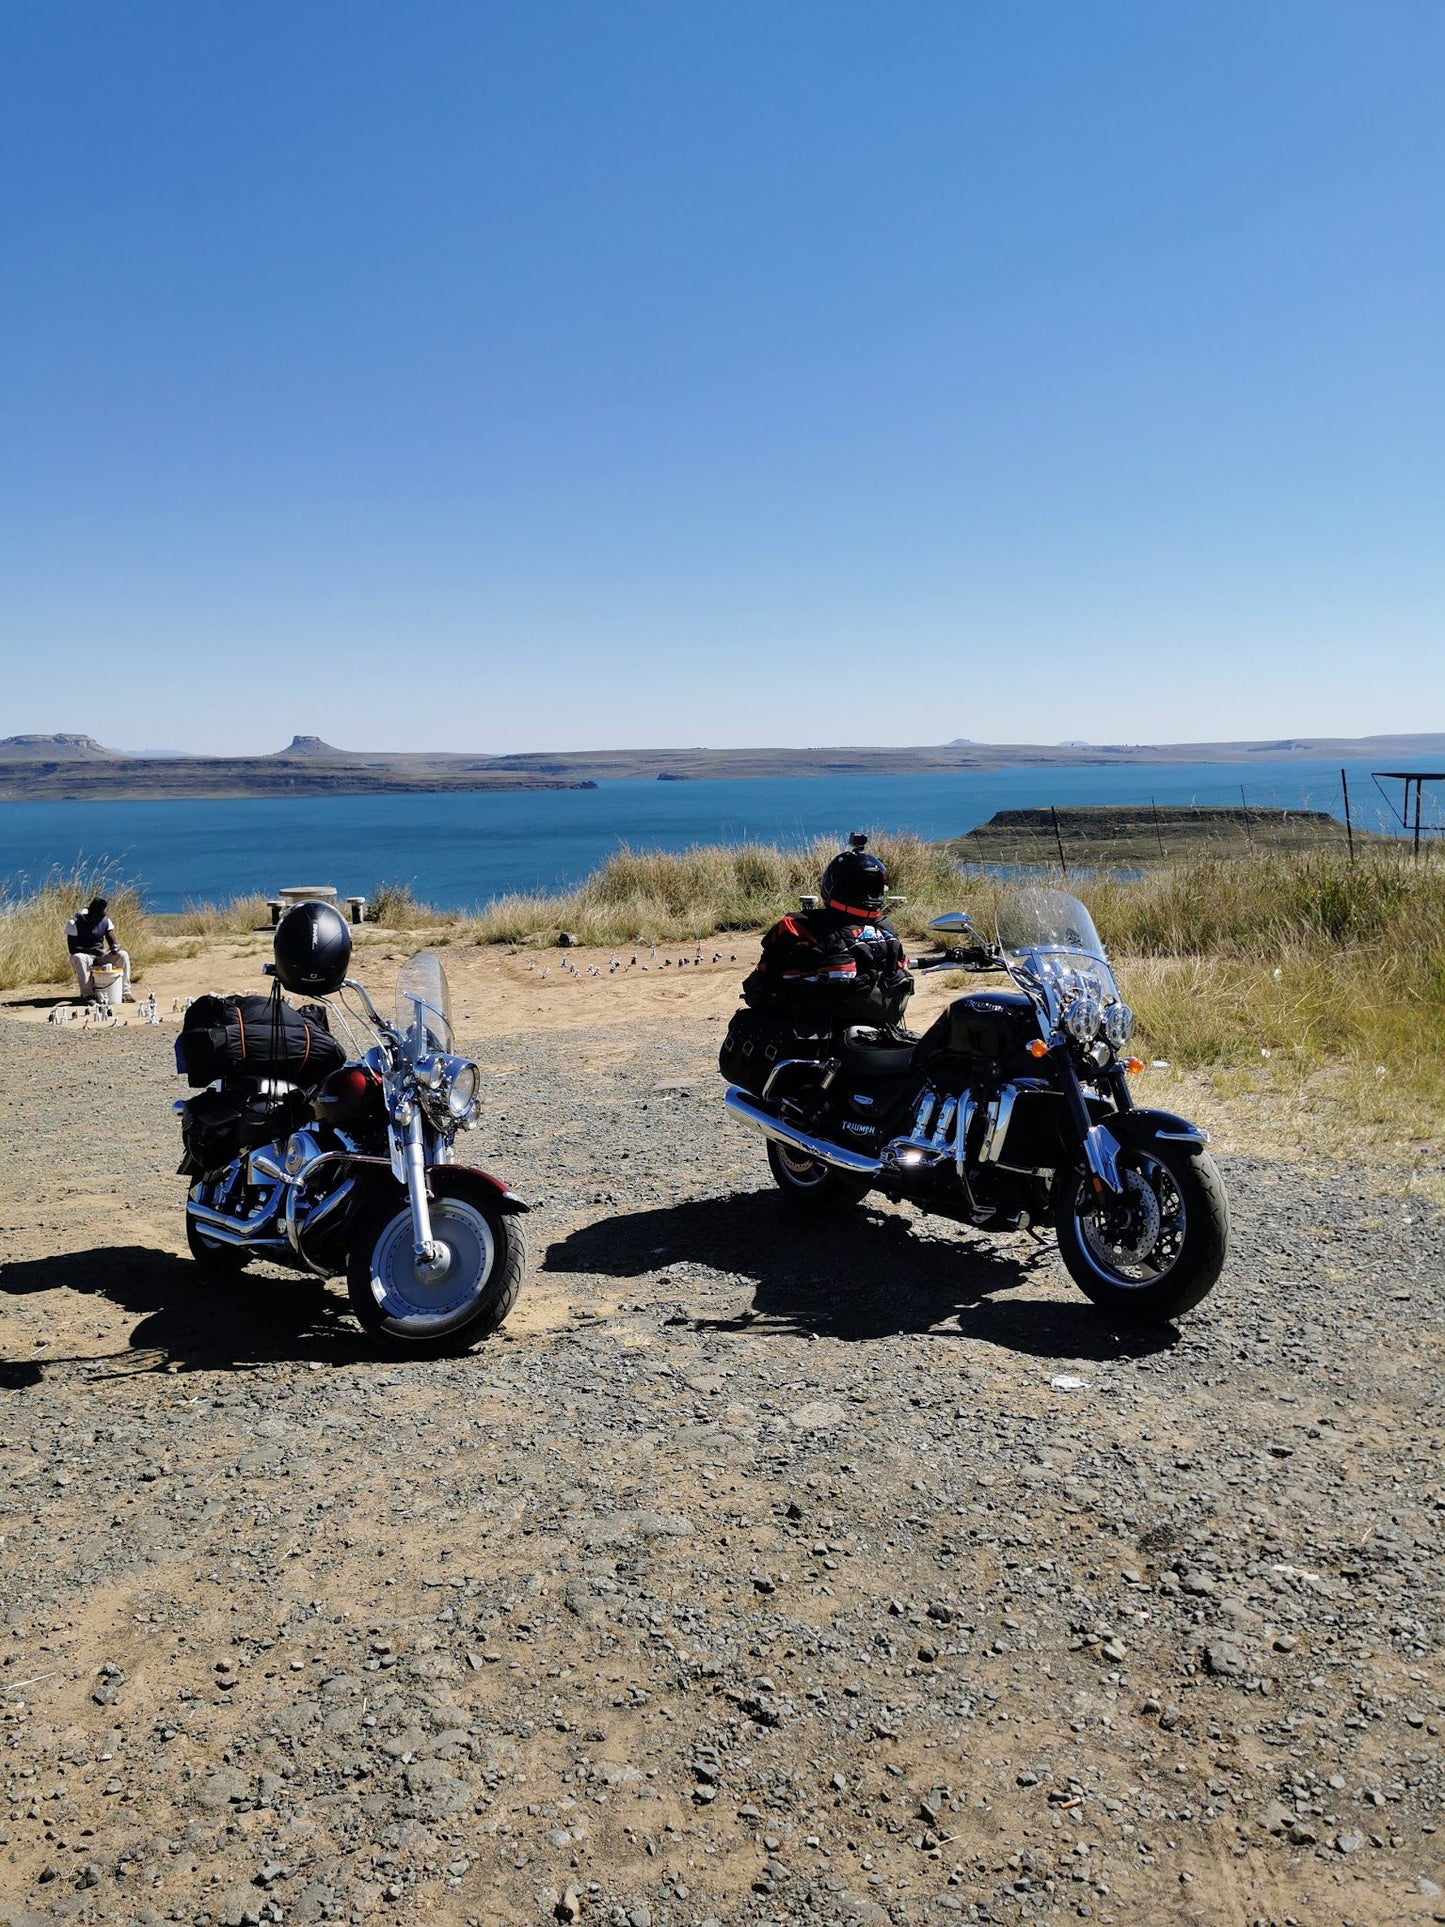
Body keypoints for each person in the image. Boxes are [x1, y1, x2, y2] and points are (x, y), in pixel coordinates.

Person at [742, 833, 915, 1030]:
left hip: (820, 1025)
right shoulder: (885, 927)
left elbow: (765, 976)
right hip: (880, 1024)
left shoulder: (799, 924)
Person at [66, 895, 134, 1002]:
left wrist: (114, 948)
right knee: (79, 958)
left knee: (123, 955)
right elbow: (72, 948)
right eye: (96, 917)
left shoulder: (105, 921)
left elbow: (112, 941)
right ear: (90, 914)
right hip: (83, 955)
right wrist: (91, 951)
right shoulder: (74, 923)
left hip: (100, 955)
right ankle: (87, 994)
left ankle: (125, 992)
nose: (98, 919)